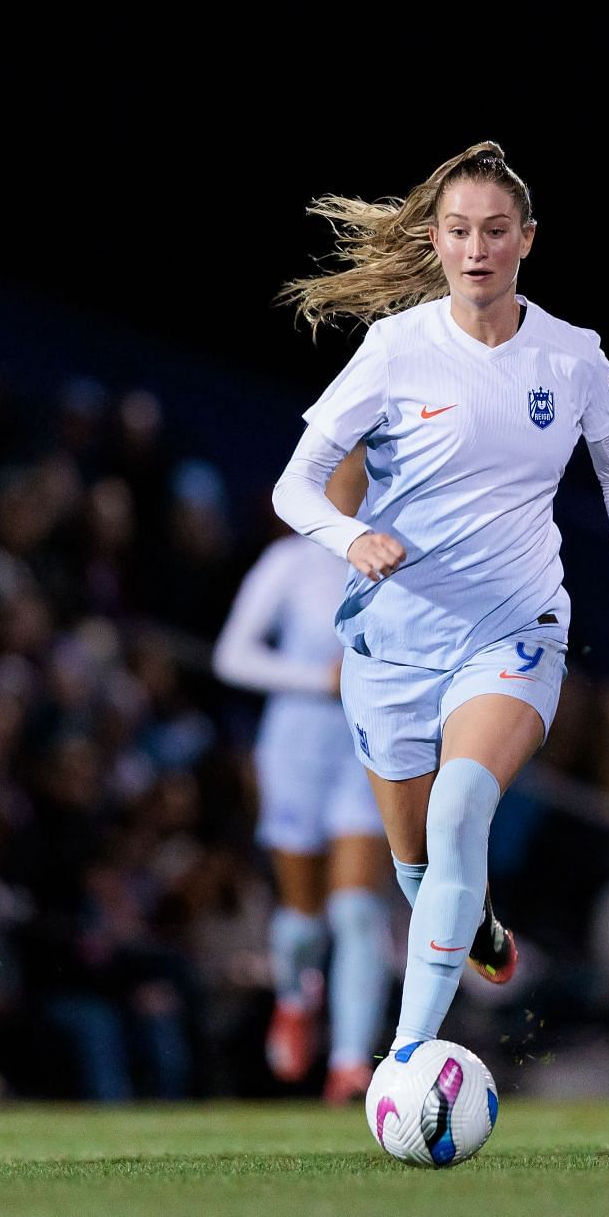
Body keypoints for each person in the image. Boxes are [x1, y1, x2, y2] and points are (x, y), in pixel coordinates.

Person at [272, 141, 609, 1060]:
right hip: (392, 646)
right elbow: (292, 486)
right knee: (417, 864)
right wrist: (351, 537)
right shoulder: (394, 350)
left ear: (527, 240)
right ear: (437, 240)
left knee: (461, 813)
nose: (477, 247)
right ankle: (475, 918)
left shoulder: (572, 357)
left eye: (496, 230)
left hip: (514, 631)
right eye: (459, 231)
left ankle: (409, 1060)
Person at [213, 447, 393, 1103]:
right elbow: (232, 655)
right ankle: (295, 994)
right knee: (304, 913)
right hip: (295, 749)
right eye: (349, 467)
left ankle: (350, 1063)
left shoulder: (399, 559)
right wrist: (319, 679)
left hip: (363, 747)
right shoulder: (289, 563)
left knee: (356, 908)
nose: (360, 480)